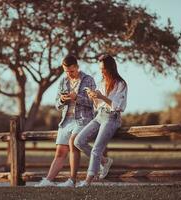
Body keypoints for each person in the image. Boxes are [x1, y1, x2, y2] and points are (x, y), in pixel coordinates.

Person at [35, 55, 96, 187]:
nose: (69, 74)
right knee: (60, 151)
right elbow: (57, 104)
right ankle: (48, 181)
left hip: (83, 119)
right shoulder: (63, 81)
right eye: (66, 71)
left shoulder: (88, 80)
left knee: (73, 143)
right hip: (66, 120)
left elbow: (94, 103)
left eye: (71, 71)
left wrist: (77, 98)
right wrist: (62, 100)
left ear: (77, 67)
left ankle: (71, 180)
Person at [74, 54, 128, 187]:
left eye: (103, 68)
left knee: (96, 149)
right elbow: (98, 105)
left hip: (112, 118)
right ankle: (104, 161)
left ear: (110, 68)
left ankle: (87, 181)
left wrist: (102, 97)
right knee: (78, 141)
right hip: (99, 116)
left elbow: (118, 106)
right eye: (100, 69)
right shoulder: (102, 83)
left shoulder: (121, 84)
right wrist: (93, 97)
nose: (101, 71)